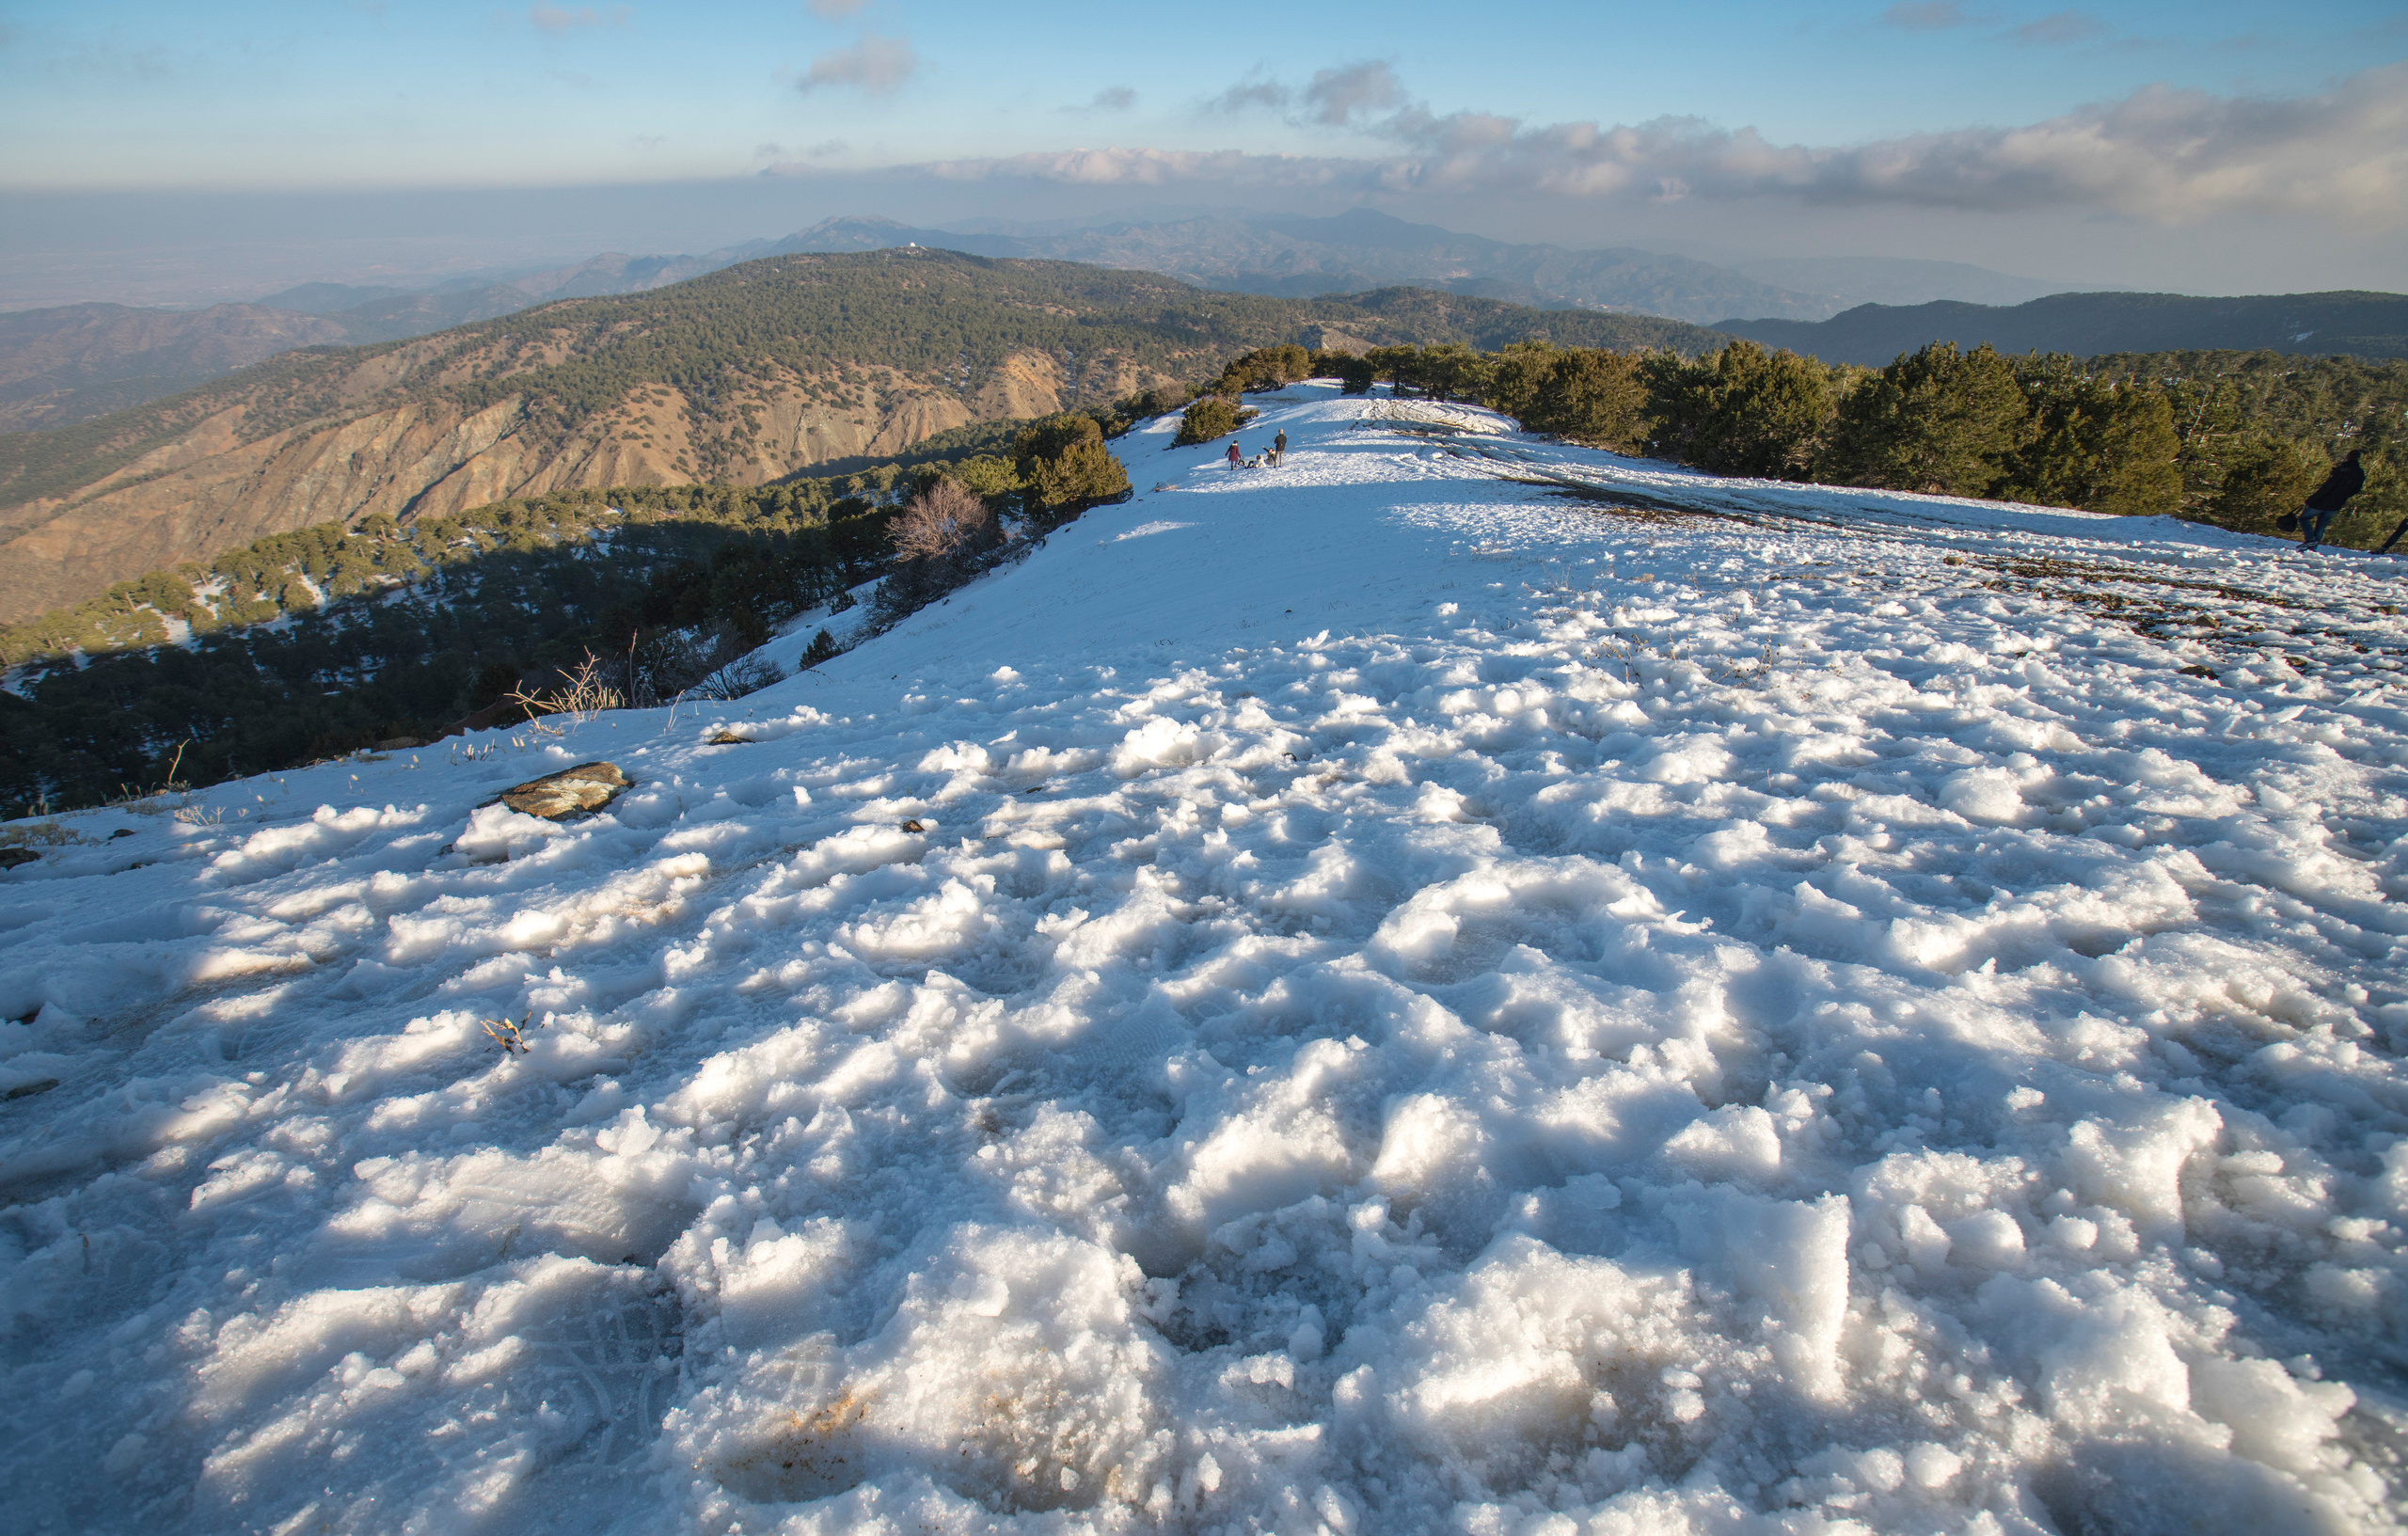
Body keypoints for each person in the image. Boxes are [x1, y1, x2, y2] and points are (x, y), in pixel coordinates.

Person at [2299, 449, 2366, 552]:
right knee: (2321, 525)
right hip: (2337, 503)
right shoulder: (2360, 473)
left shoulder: (2341, 470)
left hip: (2323, 501)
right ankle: (2312, 548)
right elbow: (2356, 489)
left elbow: (2326, 487)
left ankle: (2310, 539)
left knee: (2304, 518)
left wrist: (2310, 500)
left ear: (2347, 457)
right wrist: (2344, 496)